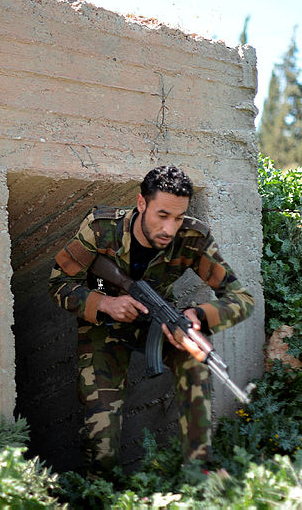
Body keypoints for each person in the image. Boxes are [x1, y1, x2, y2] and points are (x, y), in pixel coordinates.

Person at [48, 165, 254, 474]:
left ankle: (200, 472)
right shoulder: (102, 228)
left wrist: (197, 315)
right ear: (141, 203)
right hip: (102, 328)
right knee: (101, 438)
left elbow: (243, 299)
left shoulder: (192, 238)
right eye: (162, 215)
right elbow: (58, 283)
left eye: (178, 217)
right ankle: (102, 491)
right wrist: (105, 302)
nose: (170, 229)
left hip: (157, 324)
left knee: (197, 359)